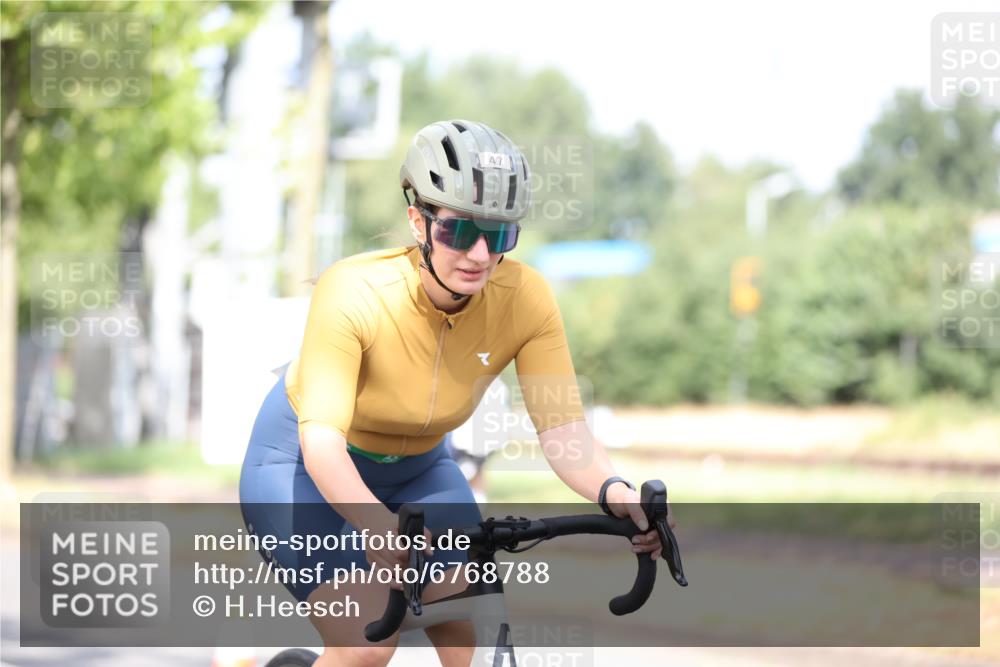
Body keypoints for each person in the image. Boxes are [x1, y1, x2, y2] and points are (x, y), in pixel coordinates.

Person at [239, 119, 667, 667]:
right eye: (460, 231)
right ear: (418, 221)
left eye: (500, 234)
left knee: (477, 635)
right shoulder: (355, 290)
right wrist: (375, 525)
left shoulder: (526, 298)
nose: (481, 255)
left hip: (420, 471)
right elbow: (322, 442)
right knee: (366, 642)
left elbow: (563, 430)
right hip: (301, 468)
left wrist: (615, 491)